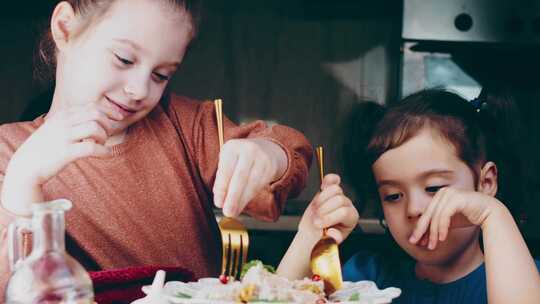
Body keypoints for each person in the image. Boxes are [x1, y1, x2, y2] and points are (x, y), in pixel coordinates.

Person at [0, 0, 312, 296]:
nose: (139, 90)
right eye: (124, 59)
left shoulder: (185, 126)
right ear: (65, 28)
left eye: (160, 75)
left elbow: (292, 154)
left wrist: (269, 156)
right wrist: (21, 184)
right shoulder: (7, 150)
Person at [277, 89, 540, 303]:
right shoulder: (367, 279)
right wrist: (309, 237)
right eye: (393, 196)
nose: (413, 209)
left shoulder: (521, 275)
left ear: (486, 183)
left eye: (434, 188)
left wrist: (493, 213)